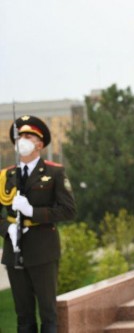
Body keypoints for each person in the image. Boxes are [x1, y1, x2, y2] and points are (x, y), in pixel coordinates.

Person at [0, 115, 77, 333]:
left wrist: (32, 212)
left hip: (43, 249)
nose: (22, 140)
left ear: (39, 144)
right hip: (14, 250)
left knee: (48, 314)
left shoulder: (54, 172)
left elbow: (69, 210)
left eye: (28, 136)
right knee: (23, 316)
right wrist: (7, 230)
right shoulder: (6, 175)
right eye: (19, 137)